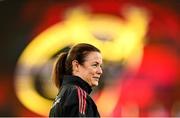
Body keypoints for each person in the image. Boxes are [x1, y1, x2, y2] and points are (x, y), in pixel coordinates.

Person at [49, 43, 103, 117]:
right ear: (76, 66)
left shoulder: (61, 96)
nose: (100, 71)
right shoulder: (78, 94)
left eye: (100, 66)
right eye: (94, 65)